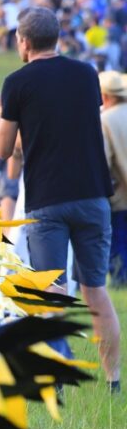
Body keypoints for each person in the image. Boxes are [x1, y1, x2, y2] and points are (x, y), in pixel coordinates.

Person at [0, 6, 121, 392]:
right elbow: (67, 124)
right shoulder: (86, 75)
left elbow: (4, 149)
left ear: (24, 41)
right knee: (95, 290)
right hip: (93, 194)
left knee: (51, 291)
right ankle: (113, 382)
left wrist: (1, 110)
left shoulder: (17, 83)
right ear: (57, 37)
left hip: (47, 199)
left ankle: (56, 380)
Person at [99, 71, 127, 286]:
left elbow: (104, 161)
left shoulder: (106, 119)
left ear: (105, 95)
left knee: (119, 239)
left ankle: (120, 281)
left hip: (120, 194)